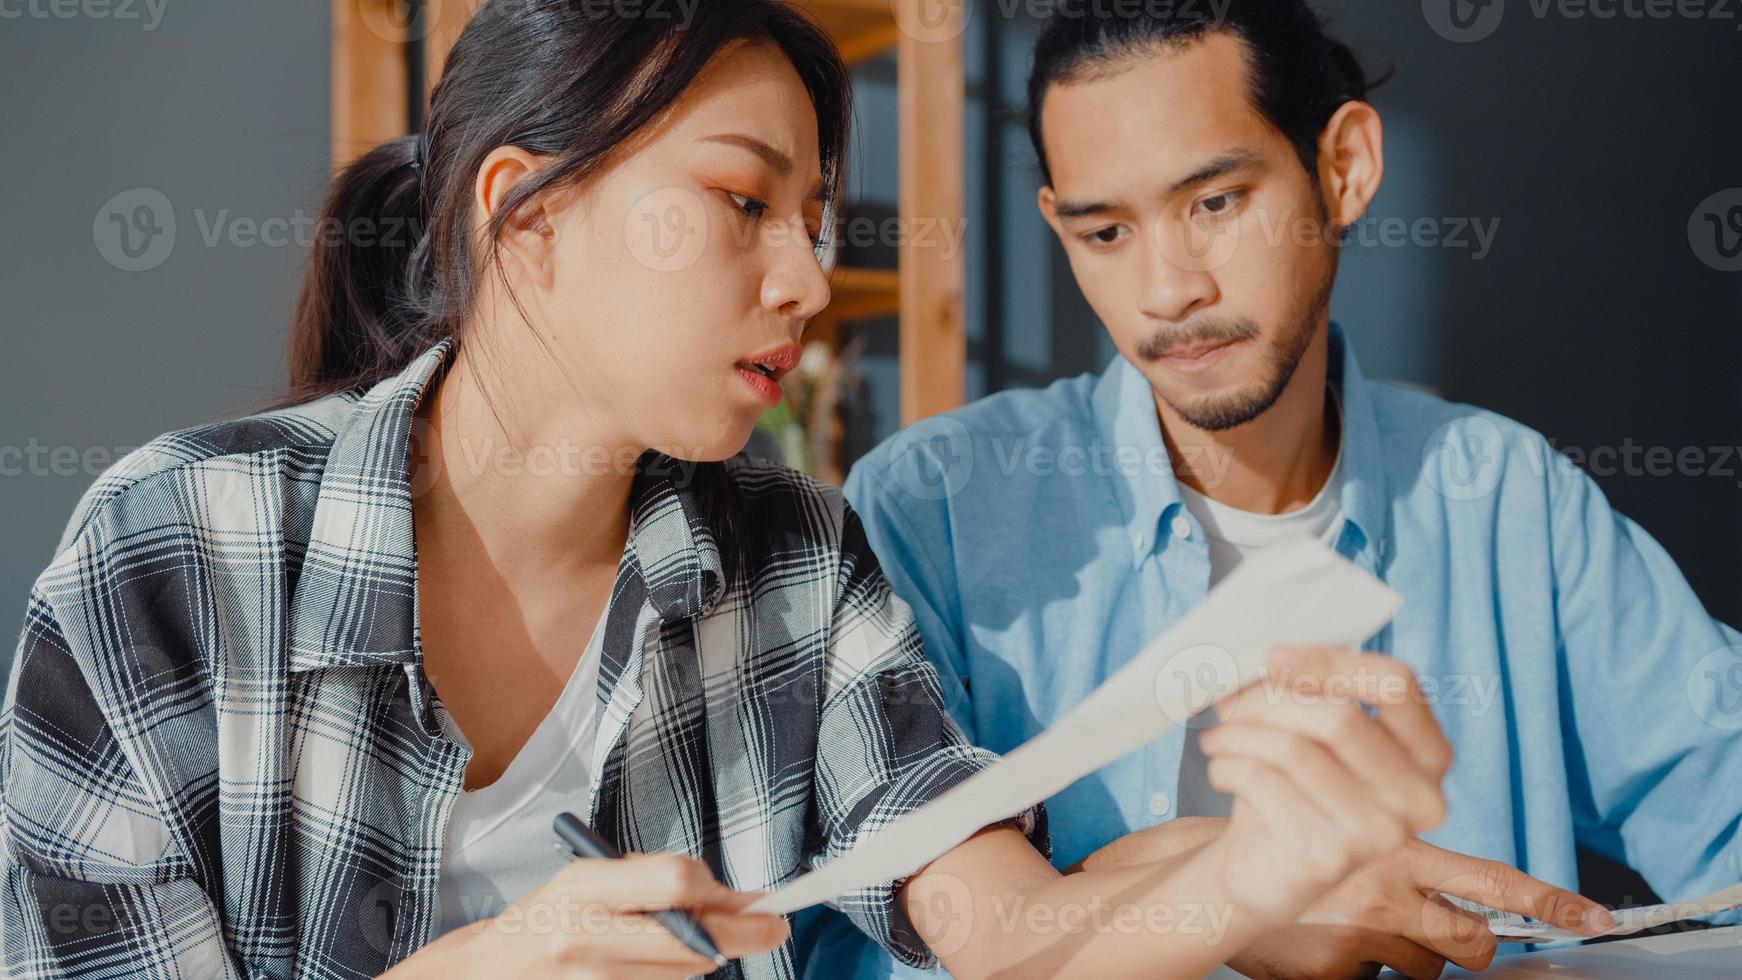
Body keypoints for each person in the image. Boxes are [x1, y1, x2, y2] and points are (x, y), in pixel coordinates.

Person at [0, 2, 1457, 978]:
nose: (809, 278)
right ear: (527, 216)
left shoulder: (797, 562)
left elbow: (1002, 928)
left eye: (815, 219)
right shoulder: (171, 557)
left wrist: (1247, 880)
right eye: (743, 202)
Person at [816, 2, 1741, 978]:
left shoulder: (1507, 500)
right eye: (1104, 231)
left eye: (1213, 202)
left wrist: (1146, 868)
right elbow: (873, 939)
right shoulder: (934, 508)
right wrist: (1204, 892)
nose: (1166, 289)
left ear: (1341, 167)